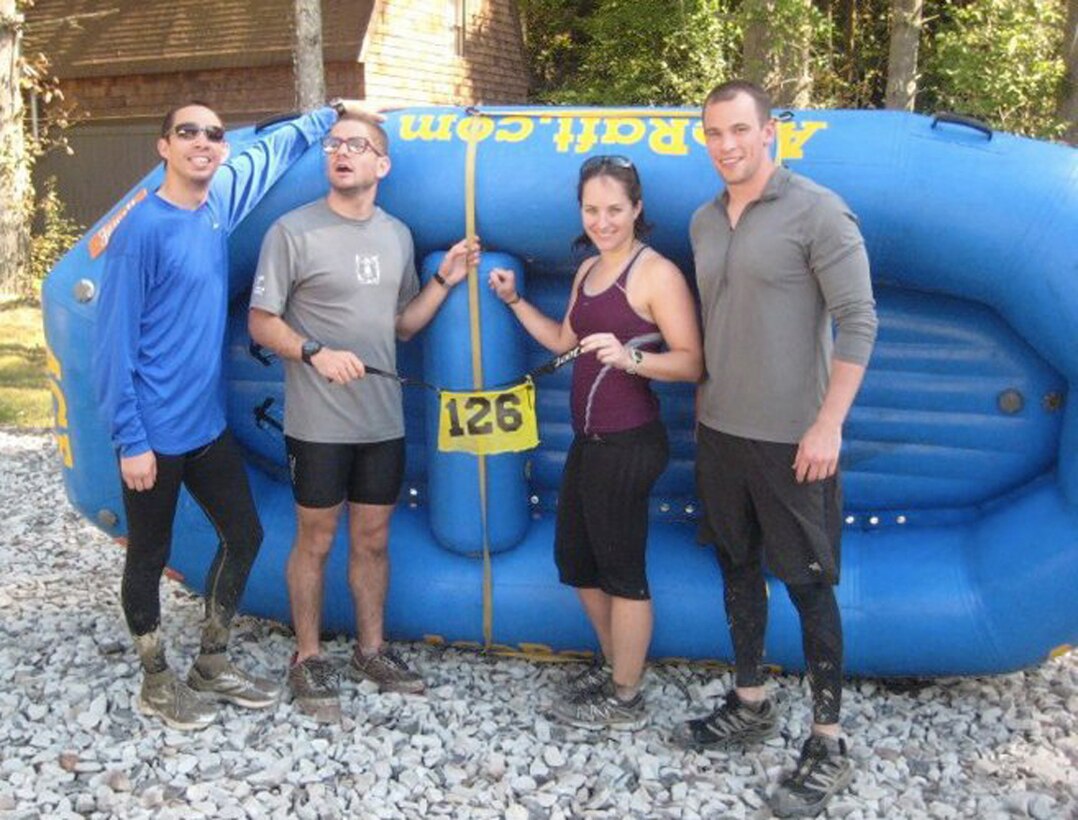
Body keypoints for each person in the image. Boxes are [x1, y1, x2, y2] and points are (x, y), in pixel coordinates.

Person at [94, 98, 370, 731]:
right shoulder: (141, 232)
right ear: (163, 146)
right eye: (186, 130)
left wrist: (327, 115)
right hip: (152, 436)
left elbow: (268, 154)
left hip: (206, 427)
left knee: (244, 535)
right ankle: (155, 678)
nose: (203, 141)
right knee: (148, 552)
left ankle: (210, 660)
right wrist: (130, 439)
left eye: (214, 134)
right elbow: (111, 346)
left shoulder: (217, 205)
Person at [676, 80, 878, 818]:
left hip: (796, 440)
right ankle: (751, 700)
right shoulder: (703, 221)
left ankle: (828, 740)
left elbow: (858, 321)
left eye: (739, 130)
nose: (727, 145)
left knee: (809, 584)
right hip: (722, 432)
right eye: (714, 133)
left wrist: (828, 425)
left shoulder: (817, 210)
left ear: (771, 133)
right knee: (736, 566)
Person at [248, 111, 477, 723]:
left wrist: (445, 281)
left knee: (373, 539)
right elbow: (262, 322)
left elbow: (400, 324)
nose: (341, 153)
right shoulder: (292, 232)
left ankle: (371, 652)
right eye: (335, 143)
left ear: (382, 164)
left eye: (357, 145)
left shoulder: (397, 235)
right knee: (317, 538)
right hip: (318, 424)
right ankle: (308, 655)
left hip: (383, 423)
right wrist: (315, 352)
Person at [489, 155, 702, 730]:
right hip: (590, 441)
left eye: (614, 209)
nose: (603, 220)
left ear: (637, 209)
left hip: (631, 442)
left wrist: (633, 357)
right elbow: (562, 340)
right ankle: (616, 665)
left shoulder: (656, 274)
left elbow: (692, 363)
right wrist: (513, 302)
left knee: (621, 570)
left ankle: (626, 696)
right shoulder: (587, 272)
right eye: (592, 210)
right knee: (576, 561)